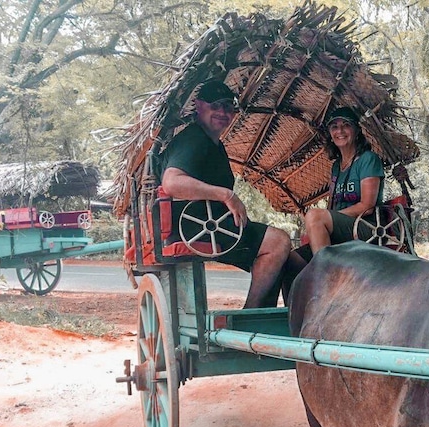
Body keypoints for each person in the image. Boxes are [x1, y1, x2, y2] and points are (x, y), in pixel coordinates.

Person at [158, 80, 291, 308]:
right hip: (198, 228)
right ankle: (250, 318)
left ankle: (270, 320)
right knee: (278, 242)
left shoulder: (213, 144)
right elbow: (172, 182)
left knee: (293, 259)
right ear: (199, 106)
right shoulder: (194, 139)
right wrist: (226, 195)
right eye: (216, 106)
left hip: (213, 224)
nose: (222, 112)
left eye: (228, 107)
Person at [282, 107, 385, 296]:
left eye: (346, 125)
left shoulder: (368, 160)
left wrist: (326, 219)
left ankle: (329, 283)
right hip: (340, 228)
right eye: (335, 127)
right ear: (330, 133)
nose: (340, 131)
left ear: (356, 130)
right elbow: (331, 206)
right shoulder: (336, 167)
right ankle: (292, 315)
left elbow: (368, 206)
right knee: (290, 260)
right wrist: (322, 222)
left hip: (364, 227)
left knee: (314, 215)